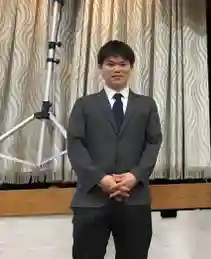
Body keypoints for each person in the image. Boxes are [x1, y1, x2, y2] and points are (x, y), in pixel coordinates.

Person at [67, 40, 162, 259]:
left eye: (123, 64)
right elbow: (75, 145)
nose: (117, 69)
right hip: (91, 199)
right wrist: (101, 179)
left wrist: (134, 176)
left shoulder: (146, 104)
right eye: (110, 64)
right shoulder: (84, 104)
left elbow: (153, 142)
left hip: (134, 197)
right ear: (100, 68)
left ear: (131, 67)